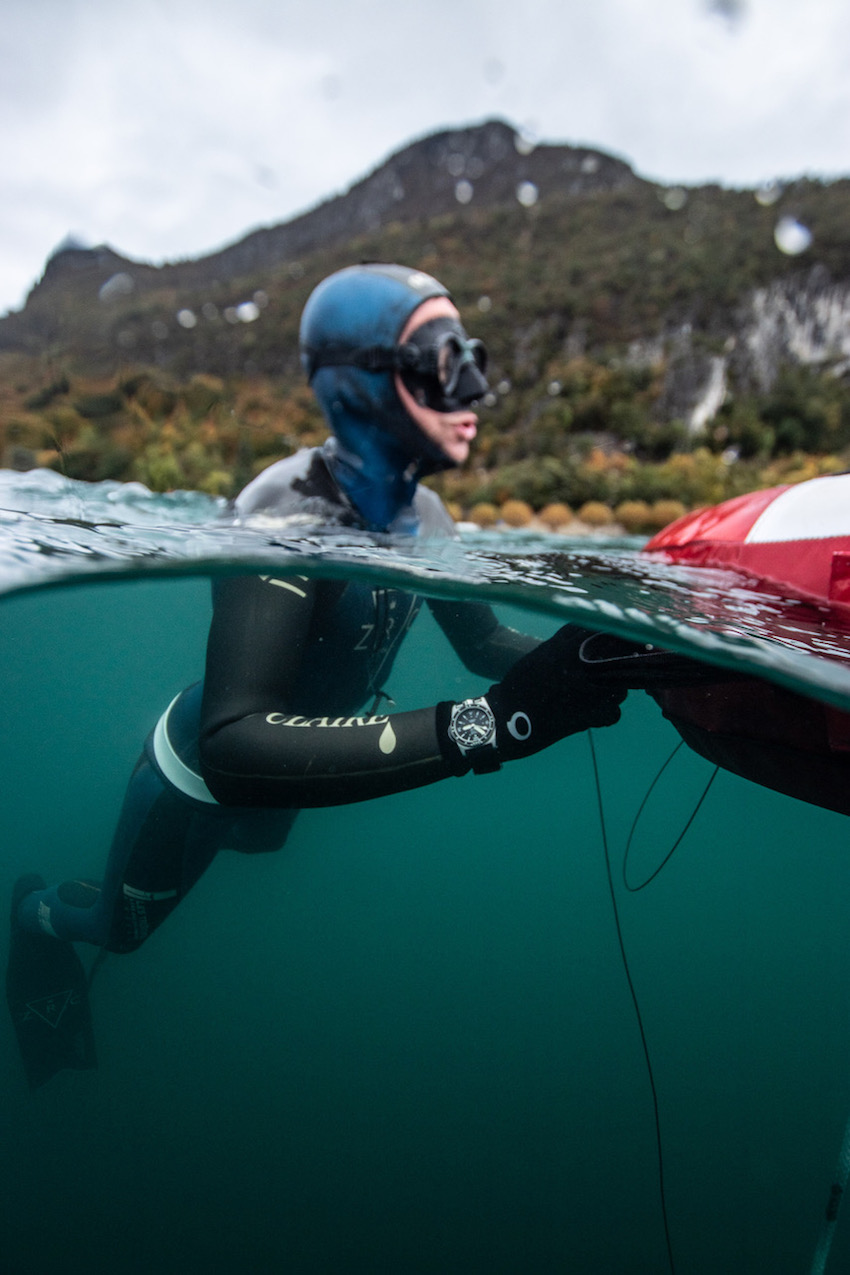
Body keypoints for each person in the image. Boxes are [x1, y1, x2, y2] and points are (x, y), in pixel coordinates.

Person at [6, 262, 625, 1088]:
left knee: (258, 843)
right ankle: (33, 911)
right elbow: (233, 742)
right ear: (360, 380)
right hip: (196, 771)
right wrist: (490, 725)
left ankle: (149, 872)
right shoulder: (287, 510)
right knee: (124, 930)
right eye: (445, 357)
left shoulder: (428, 516)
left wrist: (604, 649)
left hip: (286, 777)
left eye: (471, 354)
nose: (475, 384)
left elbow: (482, 644)